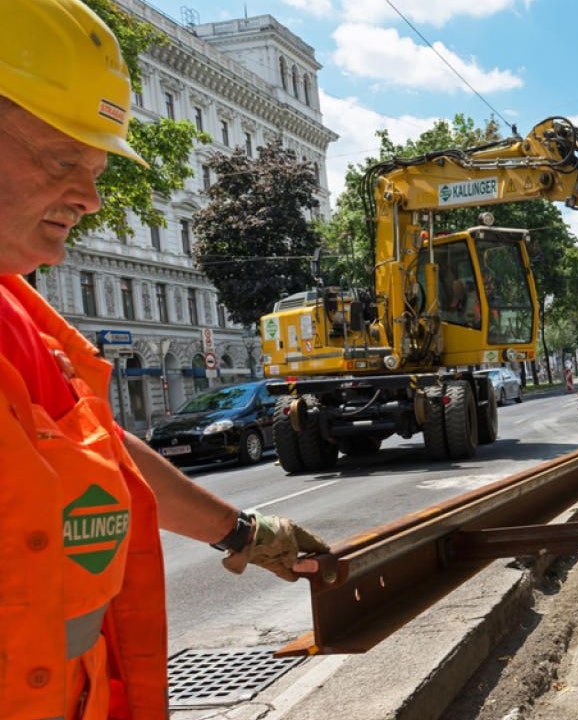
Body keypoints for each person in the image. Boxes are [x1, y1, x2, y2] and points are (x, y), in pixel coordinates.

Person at [0, 3, 328, 719]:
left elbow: (99, 449)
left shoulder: (24, 321)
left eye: (94, 168)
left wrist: (245, 533)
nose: (89, 198)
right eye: (62, 160)